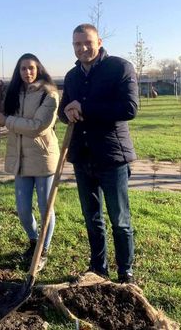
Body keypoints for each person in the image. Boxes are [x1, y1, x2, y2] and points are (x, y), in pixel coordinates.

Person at [57, 24, 139, 284]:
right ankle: (98, 268)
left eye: (86, 42)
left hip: (112, 156)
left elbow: (129, 108)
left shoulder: (120, 68)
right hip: (82, 157)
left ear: (99, 41)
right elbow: (63, 111)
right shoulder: (71, 76)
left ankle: (125, 272)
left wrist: (85, 107)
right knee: (92, 218)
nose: (82, 48)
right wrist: (67, 111)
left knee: (120, 220)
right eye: (76, 44)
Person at [0, 53, 59, 271]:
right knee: (22, 209)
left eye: (31, 68)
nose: (27, 72)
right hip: (20, 158)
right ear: (18, 71)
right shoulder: (14, 92)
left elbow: (37, 126)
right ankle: (33, 240)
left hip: (43, 158)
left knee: (45, 207)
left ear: (38, 68)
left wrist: (7, 121)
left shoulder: (49, 94)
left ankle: (43, 249)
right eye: (23, 69)